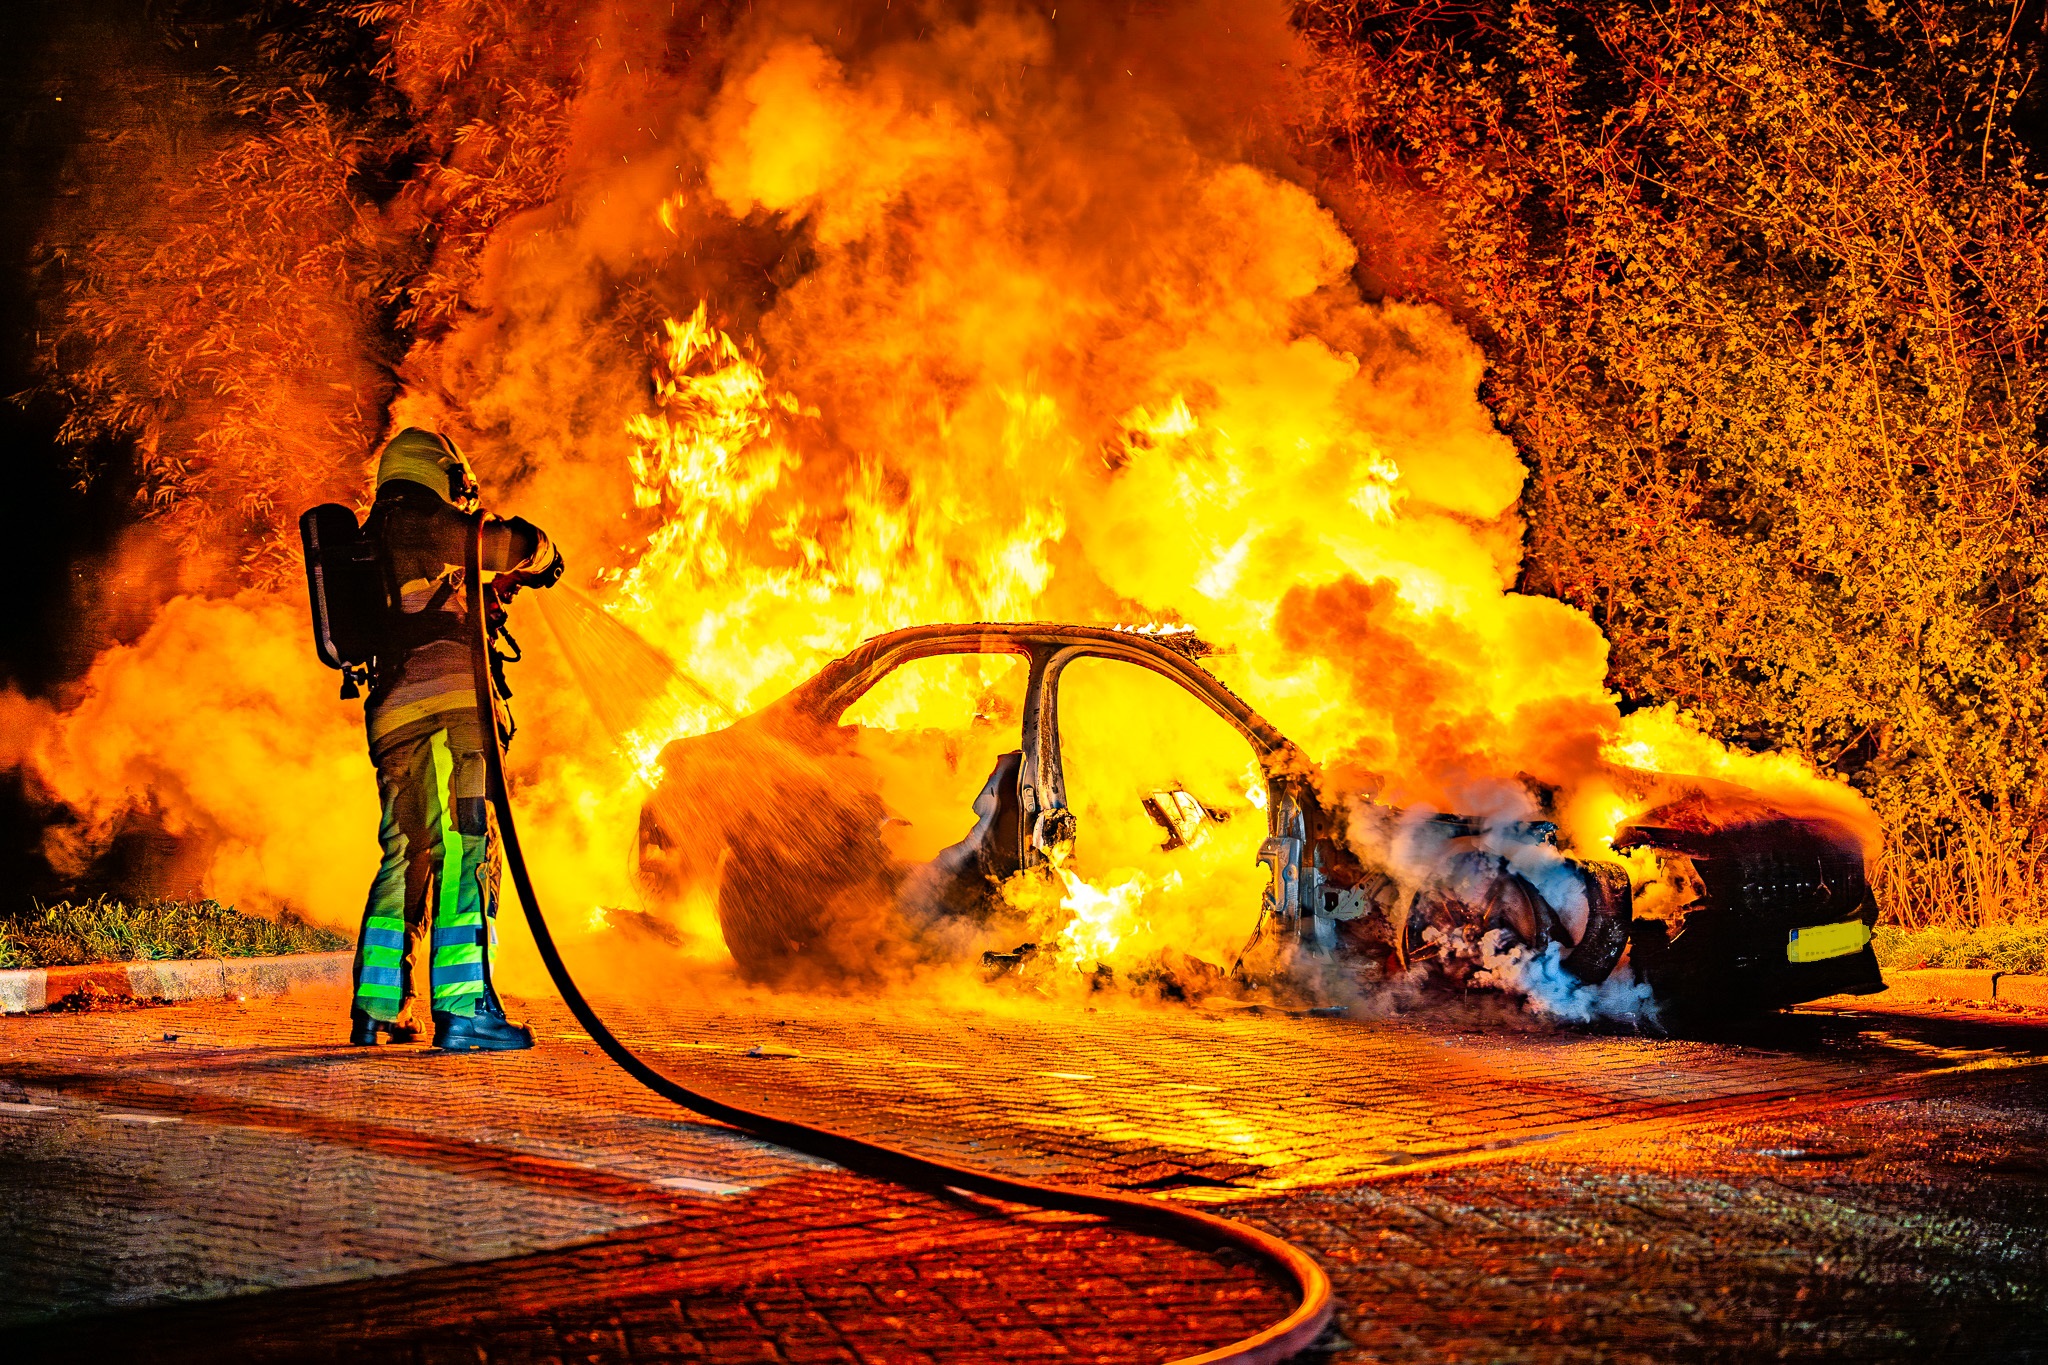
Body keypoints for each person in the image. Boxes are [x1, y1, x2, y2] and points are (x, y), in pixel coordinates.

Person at [348, 428, 563, 1051]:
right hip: (454, 701)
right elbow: (497, 543)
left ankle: (378, 1008)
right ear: (440, 474)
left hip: (390, 712)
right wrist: (540, 550)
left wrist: (488, 595)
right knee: (473, 842)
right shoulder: (421, 516)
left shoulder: (373, 539)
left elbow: (425, 605)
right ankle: (466, 1009)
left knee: (404, 852)